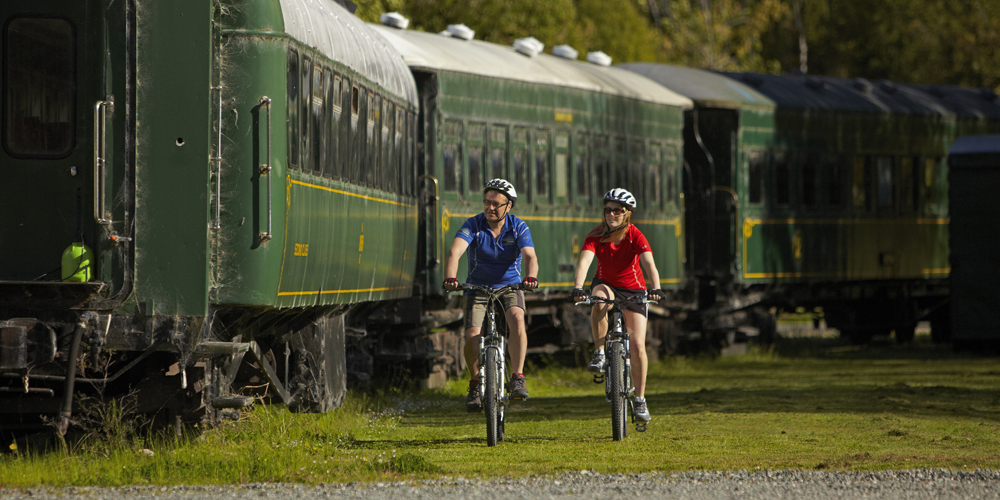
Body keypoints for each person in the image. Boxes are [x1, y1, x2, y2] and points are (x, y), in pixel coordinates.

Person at [443, 178, 539, 412]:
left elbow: (530, 257)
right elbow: (455, 252)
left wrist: (531, 277)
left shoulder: (518, 227)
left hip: (510, 287)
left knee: (517, 319)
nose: (490, 208)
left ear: (509, 206)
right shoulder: (473, 225)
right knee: (472, 335)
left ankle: (517, 376)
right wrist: (450, 277)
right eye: (487, 202)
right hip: (478, 287)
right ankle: (475, 383)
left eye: (496, 204)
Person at [571, 188, 664, 423]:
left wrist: (656, 288)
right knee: (599, 301)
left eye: (617, 211)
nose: (612, 214)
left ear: (627, 214)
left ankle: (640, 399)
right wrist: (578, 286)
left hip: (634, 290)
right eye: (608, 210)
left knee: (638, 346)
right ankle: (600, 353)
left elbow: (649, 263)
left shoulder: (635, 235)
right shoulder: (595, 235)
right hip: (606, 284)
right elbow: (585, 261)